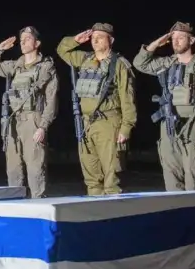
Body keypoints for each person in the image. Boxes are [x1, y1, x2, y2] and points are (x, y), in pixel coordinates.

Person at [133, 21, 195, 191]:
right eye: (173, 38)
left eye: (181, 38)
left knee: (192, 170)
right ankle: (177, 211)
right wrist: (156, 44)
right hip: (168, 121)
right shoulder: (168, 63)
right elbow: (140, 64)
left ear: (191, 40)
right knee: (171, 171)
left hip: (192, 122)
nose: (176, 41)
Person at [56, 23, 136, 195]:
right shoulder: (85, 59)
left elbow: (127, 98)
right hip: (86, 124)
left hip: (108, 122)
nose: (95, 40)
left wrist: (126, 127)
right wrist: (75, 40)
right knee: (91, 177)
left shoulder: (119, 64)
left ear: (111, 40)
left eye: (100, 36)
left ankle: (114, 215)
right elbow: (62, 51)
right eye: (93, 37)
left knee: (111, 177)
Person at [0, 26, 59, 198]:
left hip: (33, 119)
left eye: (28, 38)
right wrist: (0, 49)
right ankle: (16, 208)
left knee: (35, 169)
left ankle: (38, 207)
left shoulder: (46, 68)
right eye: (22, 39)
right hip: (13, 121)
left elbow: (51, 100)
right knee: (13, 169)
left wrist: (43, 127)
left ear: (37, 43)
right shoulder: (15, 66)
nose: (23, 41)